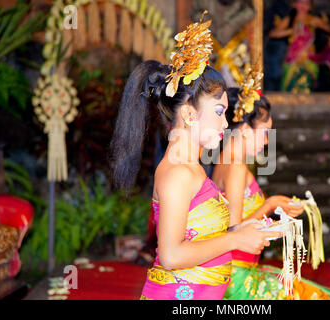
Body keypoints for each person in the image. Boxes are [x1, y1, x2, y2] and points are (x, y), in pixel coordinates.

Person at [109, 18, 281, 300]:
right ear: (189, 114)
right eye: (218, 112)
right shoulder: (178, 173)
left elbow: (201, 237)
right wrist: (236, 238)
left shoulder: (193, 169)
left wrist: (248, 229)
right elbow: (171, 255)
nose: (225, 124)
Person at [212, 81, 330, 300]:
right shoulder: (236, 167)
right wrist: (270, 205)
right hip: (238, 277)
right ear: (246, 130)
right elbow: (233, 230)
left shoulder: (224, 161)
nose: (267, 140)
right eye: (265, 132)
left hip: (238, 270)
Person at [269, 0, 330, 93]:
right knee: (290, 85)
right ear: (294, 4)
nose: (303, 6)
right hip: (293, 59)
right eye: (300, 2)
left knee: (306, 85)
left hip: (309, 58)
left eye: (306, 3)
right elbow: (273, 33)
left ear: (310, 6)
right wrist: (290, 31)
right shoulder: (290, 20)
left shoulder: (314, 20)